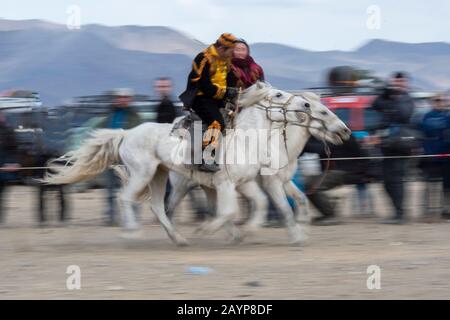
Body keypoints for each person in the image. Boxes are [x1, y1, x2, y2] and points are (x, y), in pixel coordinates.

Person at [179, 33, 239, 172]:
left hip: (217, 99)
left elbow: (229, 78)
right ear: (222, 48)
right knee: (217, 122)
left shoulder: (227, 59)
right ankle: (206, 158)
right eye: (231, 50)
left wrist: (234, 90)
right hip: (200, 98)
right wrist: (225, 92)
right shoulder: (203, 58)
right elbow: (202, 84)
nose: (233, 53)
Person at [371, 72, 416, 224]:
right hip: (386, 144)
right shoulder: (388, 97)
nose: (398, 84)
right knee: (386, 182)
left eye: (401, 82)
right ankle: (397, 211)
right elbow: (375, 105)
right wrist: (385, 93)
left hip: (401, 145)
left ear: (406, 84)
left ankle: (400, 214)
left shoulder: (407, 99)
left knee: (396, 180)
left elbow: (404, 114)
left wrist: (398, 95)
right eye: (396, 82)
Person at [97, 88, 142, 226]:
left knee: (131, 188)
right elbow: (100, 132)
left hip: (129, 160)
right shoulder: (109, 116)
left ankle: (133, 217)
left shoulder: (136, 117)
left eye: (125, 97)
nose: (122, 99)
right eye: (119, 97)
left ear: (130, 99)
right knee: (110, 191)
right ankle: (111, 218)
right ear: (115, 99)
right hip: (111, 157)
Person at [301, 135, 368, 225]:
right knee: (306, 184)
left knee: (314, 187)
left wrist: (303, 141)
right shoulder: (322, 136)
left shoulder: (342, 134)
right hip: (332, 171)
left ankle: (331, 215)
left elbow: (320, 149)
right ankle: (326, 214)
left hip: (345, 170)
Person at [418, 93, 450, 221]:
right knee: (430, 185)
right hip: (430, 154)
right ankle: (429, 211)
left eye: (442, 100)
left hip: (446, 155)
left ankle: (446, 210)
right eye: (436, 100)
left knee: (447, 186)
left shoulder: (448, 116)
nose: (439, 102)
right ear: (432, 102)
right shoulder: (426, 116)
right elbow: (424, 131)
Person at [0, 111, 20, 224]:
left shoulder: (8, 131)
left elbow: (14, 150)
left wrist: (13, 163)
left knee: (1, 197)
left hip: (3, 170)